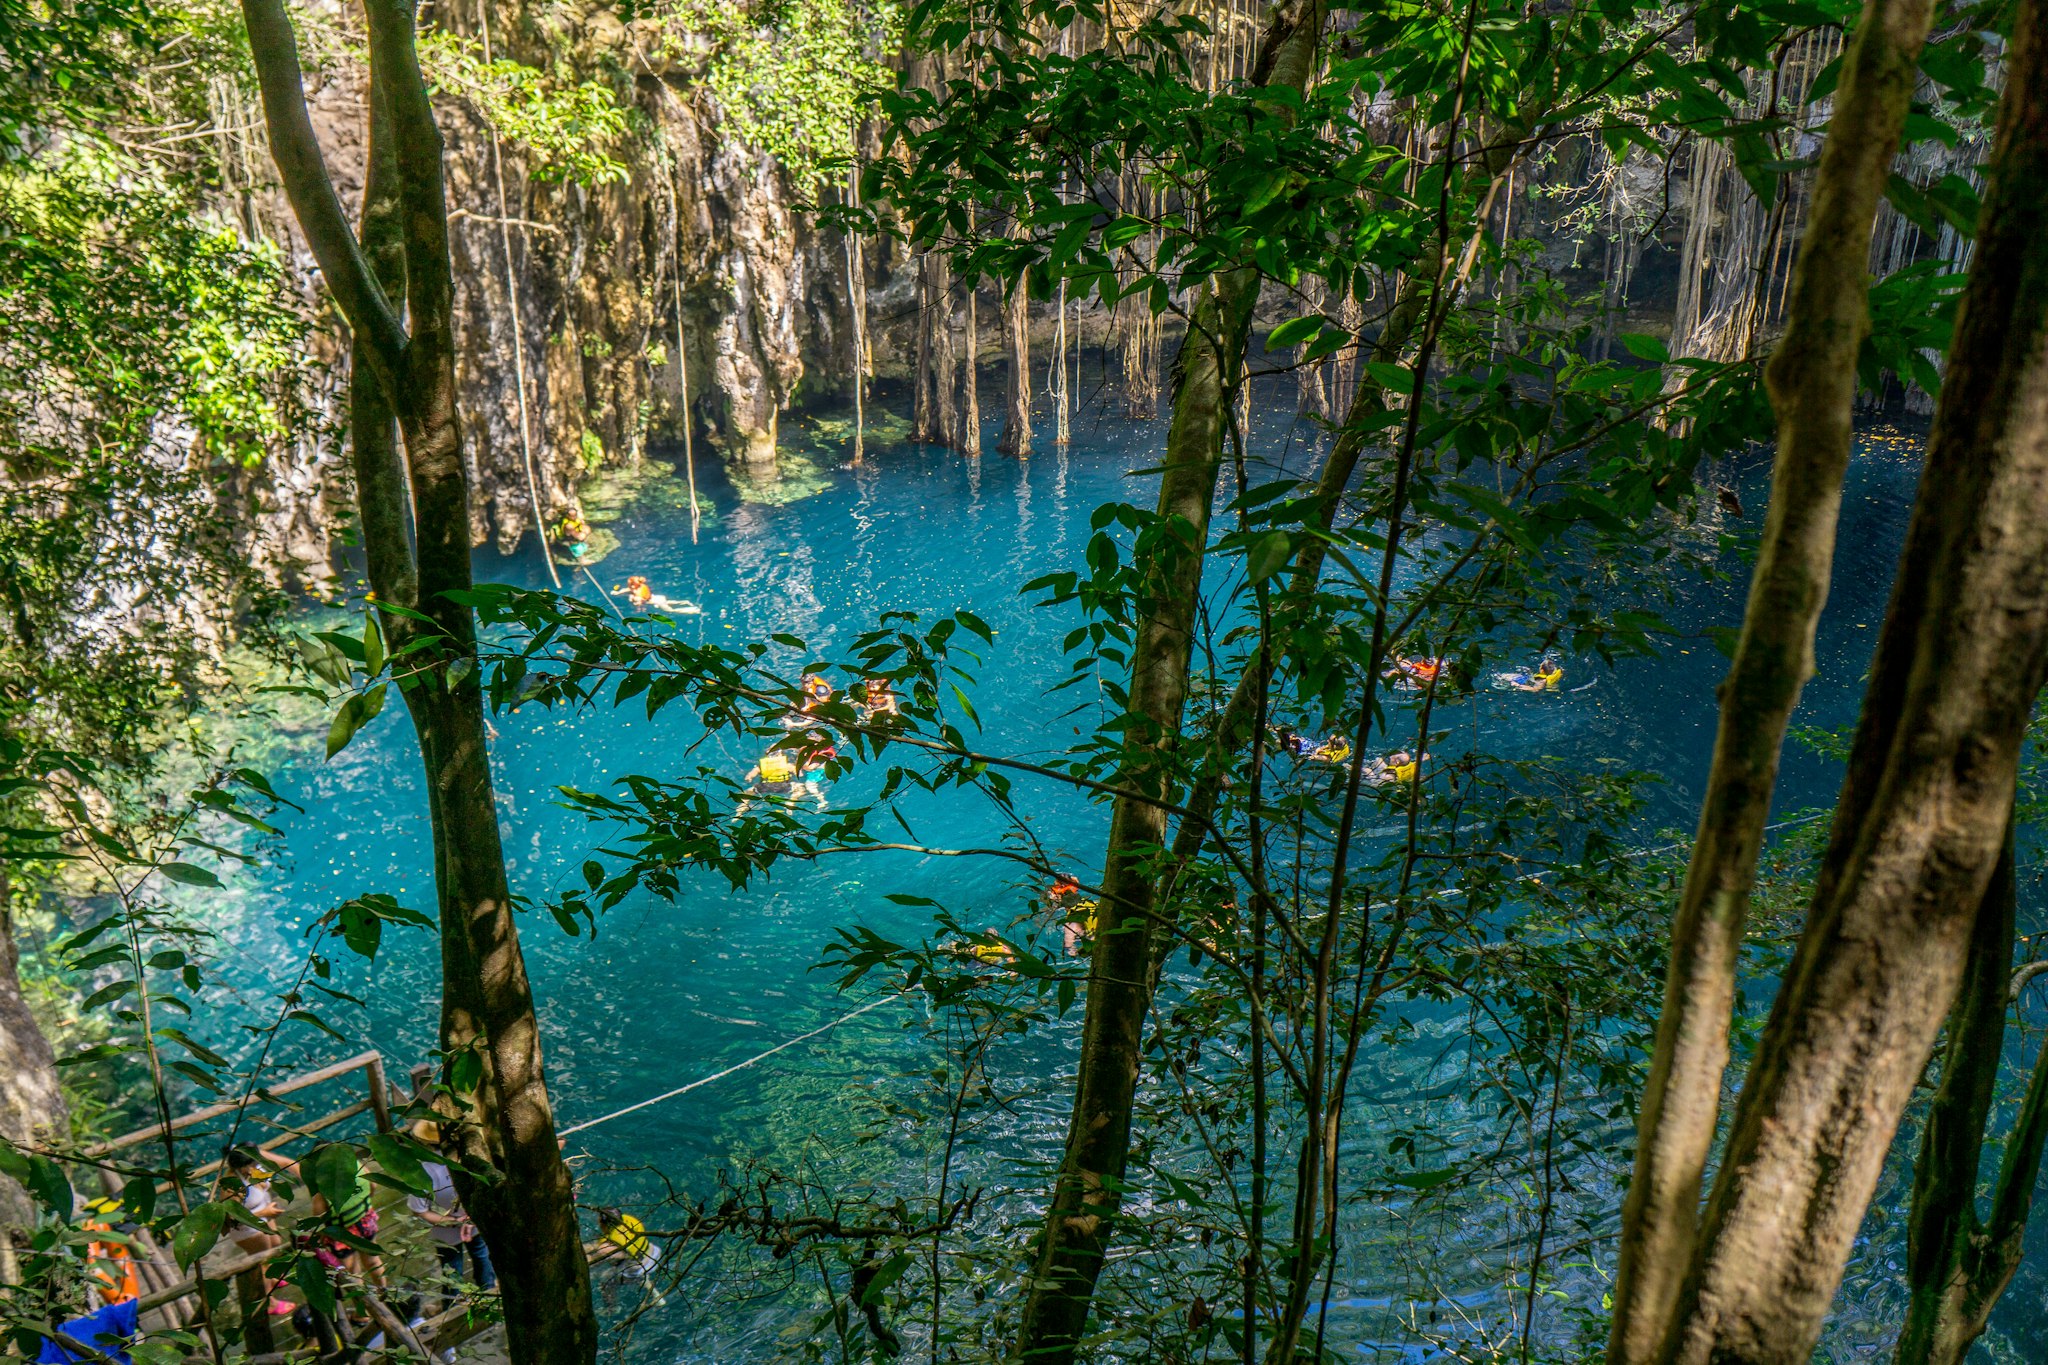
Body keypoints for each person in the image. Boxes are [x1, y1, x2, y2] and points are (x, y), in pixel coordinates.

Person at [404, 1121, 496, 1297]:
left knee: (451, 1269)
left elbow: (420, 1210)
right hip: (474, 1220)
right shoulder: (470, 1158)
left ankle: (451, 1305)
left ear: (424, 1142)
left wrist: (453, 1222)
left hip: (444, 1231)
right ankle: (489, 1292)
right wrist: (468, 1218)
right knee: (482, 1255)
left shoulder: (422, 1172)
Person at [80, 1197, 139, 1310]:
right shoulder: (93, 1226)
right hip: (101, 1230)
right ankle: (121, 1302)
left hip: (105, 1230)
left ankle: (121, 1302)